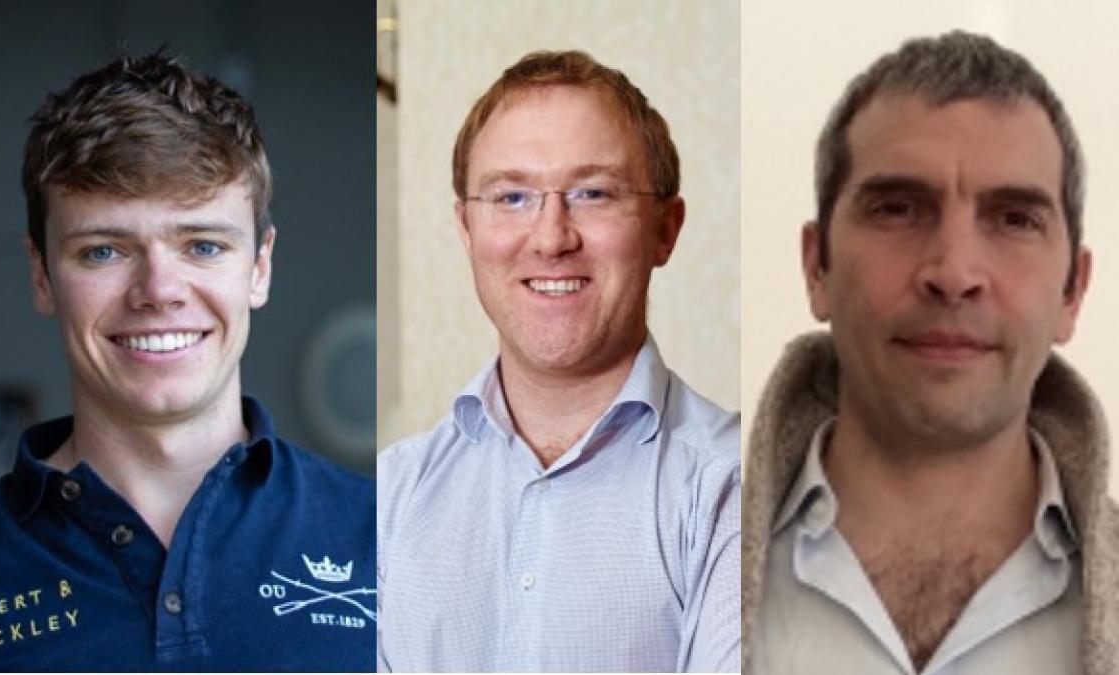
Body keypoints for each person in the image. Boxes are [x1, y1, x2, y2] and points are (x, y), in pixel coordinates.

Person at [0, 52, 375, 671]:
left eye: (203, 245)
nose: (159, 290)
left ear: (259, 267)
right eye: (104, 251)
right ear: (41, 274)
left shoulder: (391, 541)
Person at [742, 31, 1119, 674]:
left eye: (1013, 218)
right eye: (897, 208)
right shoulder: (673, 572)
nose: (953, 271)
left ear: (1072, 293)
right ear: (816, 268)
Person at [378, 50, 740, 672]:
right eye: (511, 196)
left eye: (593, 193)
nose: (551, 238)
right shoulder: (388, 498)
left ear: (665, 228)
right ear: (466, 229)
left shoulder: (739, 490)